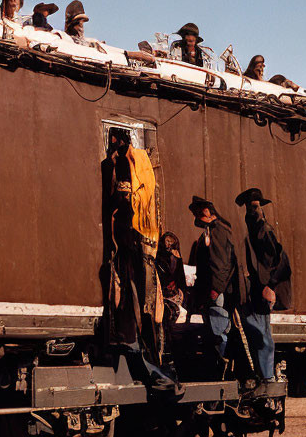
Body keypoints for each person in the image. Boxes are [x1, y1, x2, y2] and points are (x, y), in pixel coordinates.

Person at [102, 128, 179, 393]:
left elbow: (125, 199)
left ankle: (155, 371)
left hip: (133, 243)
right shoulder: (140, 164)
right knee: (145, 313)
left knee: (137, 309)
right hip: (141, 243)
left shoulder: (125, 162)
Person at [235, 187, 292, 381]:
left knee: (262, 337)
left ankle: (267, 380)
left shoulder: (264, 231)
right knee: (257, 336)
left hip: (262, 292)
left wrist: (271, 286)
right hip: (254, 292)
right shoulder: (252, 230)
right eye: (250, 207)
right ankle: (263, 378)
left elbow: (282, 262)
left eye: (256, 206)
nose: (253, 211)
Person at [188, 196, 238, 365]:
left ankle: (221, 368)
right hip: (211, 291)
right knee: (216, 331)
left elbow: (221, 264)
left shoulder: (218, 232)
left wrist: (216, 288)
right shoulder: (214, 231)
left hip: (216, 292)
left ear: (207, 212)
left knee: (219, 331)